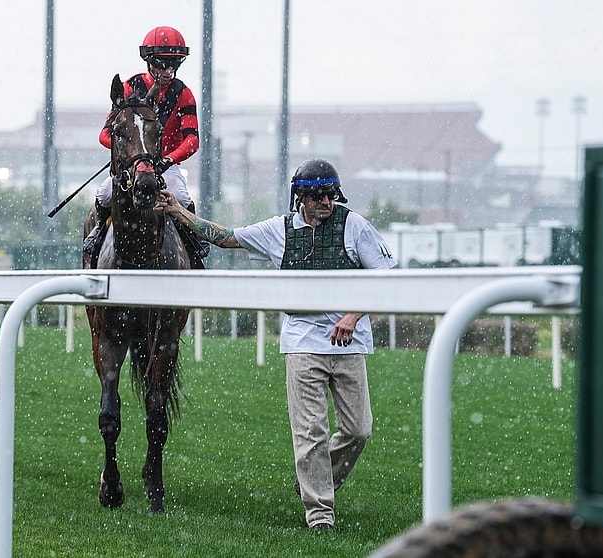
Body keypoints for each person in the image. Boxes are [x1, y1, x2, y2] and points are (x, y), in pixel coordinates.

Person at [155, 158, 398, 531]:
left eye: (330, 194)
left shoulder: (355, 226)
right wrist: (176, 211)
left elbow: (387, 277)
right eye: (318, 196)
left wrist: (352, 316)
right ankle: (319, 513)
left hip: (350, 344)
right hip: (301, 341)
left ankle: (311, 479)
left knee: (358, 430)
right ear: (300, 197)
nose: (326, 202)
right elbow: (225, 237)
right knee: (310, 432)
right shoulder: (278, 230)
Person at [84, 25, 208, 267]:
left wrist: (167, 159)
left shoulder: (184, 94)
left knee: (181, 197)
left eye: (174, 63)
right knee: (104, 192)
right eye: (162, 63)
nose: (168, 69)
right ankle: (98, 232)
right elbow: (105, 134)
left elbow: (193, 140)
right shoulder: (130, 86)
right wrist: (130, 152)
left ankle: (193, 244)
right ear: (149, 62)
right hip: (131, 165)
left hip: (164, 164)